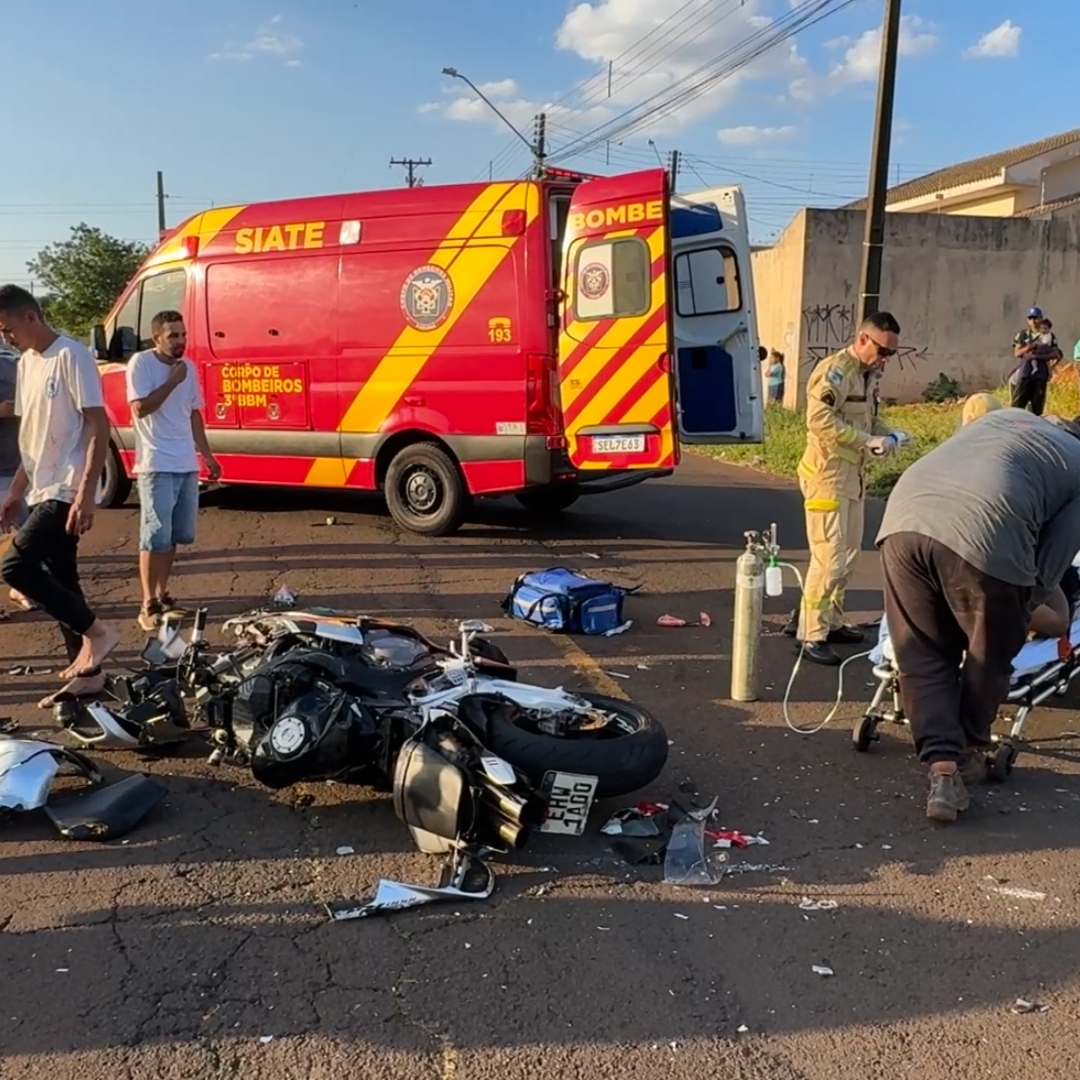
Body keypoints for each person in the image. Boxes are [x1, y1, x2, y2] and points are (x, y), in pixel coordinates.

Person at [876, 408, 1080, 823]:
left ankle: (941, 769)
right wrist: (1021, 610)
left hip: (903, 519)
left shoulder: (1005, 419)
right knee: (989, 654)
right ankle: (965, 754)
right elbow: (1052, 562)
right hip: (984, 533)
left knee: (922, 653)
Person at [0, 285, 120, 704]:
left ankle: (99, 634)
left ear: (30, 317)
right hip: (40, 486)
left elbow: (98, 425)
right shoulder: (26, 364)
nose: (6, 338)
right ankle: (89, 675)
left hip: (67, 487)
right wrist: (16, 491)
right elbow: (33, 440)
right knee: (64, 581)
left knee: (16, 566)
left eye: (8, 329)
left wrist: (86, 491)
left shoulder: (72, 355)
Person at [795, 311, 905, 666]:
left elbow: (867, 419)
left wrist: (888, 434)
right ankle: (810, 633)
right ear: (862, 339)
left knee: (849, 557)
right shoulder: (836, 371)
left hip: (852, 479)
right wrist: (866, 440)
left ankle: (832, 622)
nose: (885, 359)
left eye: (890, 353)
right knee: (828, 560)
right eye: (882, 351)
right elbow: (818, 420)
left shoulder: (866, 375)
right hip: (826, 477)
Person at [126, 310, 221, 632]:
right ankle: (147, 602)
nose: (181, 341)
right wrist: (172, 381)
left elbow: (194, 414)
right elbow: (140, 408)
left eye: (183, 335)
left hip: (185, 464)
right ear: (157, 338)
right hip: (156, 464)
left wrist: (207, 456)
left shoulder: (188, 367)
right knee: (154, 537)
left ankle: (163, 595)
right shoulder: (141, 364)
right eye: (173, 336)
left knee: (175, 536)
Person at [1010, 306, 1062, 415]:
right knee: (1017, 404)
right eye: (1030, 318)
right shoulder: (1023, 334)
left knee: (1037, 406)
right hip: (1026, 372)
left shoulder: (1048, 335)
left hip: (1040, 374)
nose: (1033, 321)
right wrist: (1030, 347)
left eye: (1036, 318)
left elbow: (1056, 354)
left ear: (1041, 318)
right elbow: (1017, 353)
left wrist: (1037, 356)